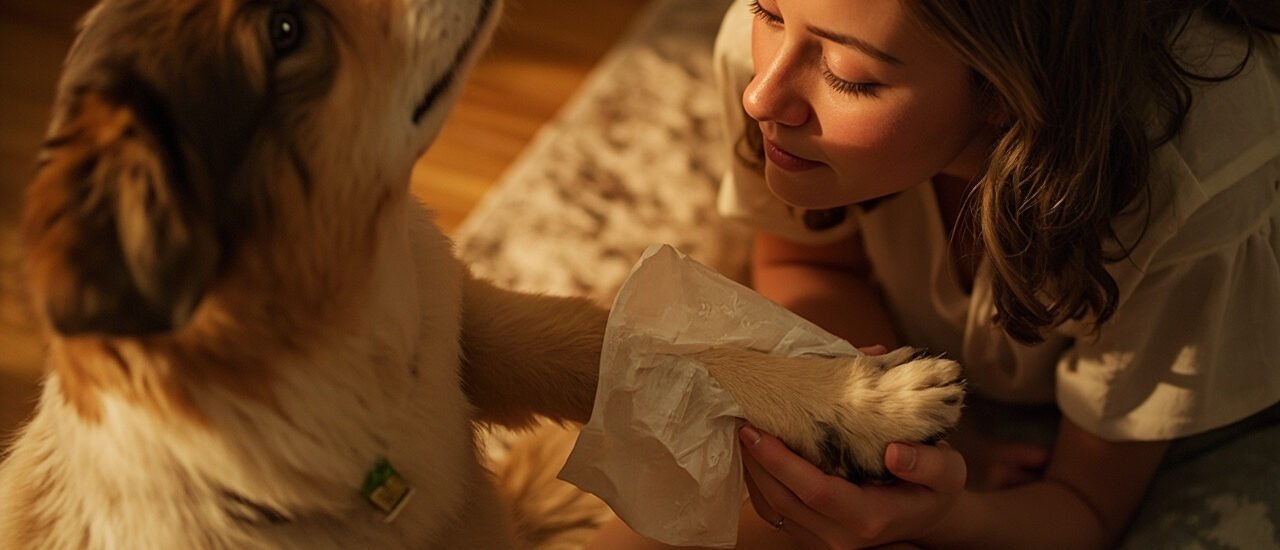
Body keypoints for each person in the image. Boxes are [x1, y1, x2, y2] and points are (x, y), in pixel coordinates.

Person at [587, 0, 1280, 548]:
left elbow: (1087, 508)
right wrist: (898, 424)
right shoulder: (768, 52)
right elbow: (805, 259)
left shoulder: (1186, 184)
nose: (761, 97)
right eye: (768, 11)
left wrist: (945, 516)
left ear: (1005, 90)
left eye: (849, 75)